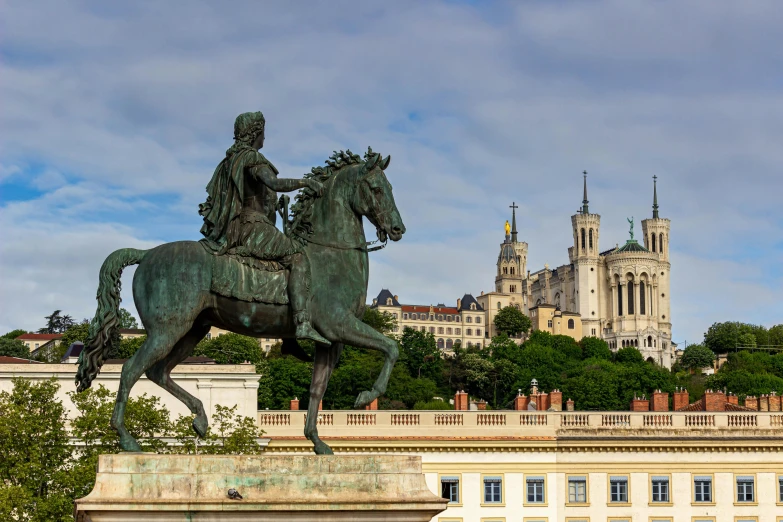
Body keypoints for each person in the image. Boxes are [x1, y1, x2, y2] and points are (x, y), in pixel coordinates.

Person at [199, 111, 330, 345]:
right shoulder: (250, 158)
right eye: (263, 133)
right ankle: (301, 324)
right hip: (251, 225)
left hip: (241, 225)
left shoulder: (230, 160)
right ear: (255, 133)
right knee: (298, 257)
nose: (264, 139)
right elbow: (274, 183)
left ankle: (288, 340)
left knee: (282, 264)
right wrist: (306, 182)